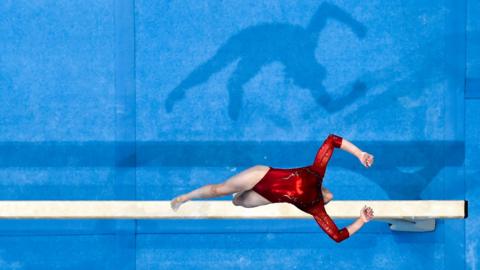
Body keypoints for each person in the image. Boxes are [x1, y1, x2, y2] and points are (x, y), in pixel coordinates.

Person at [170, 134, 374, 243]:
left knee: (237, 202)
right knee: (218, 190)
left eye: (328, 198)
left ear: (324, 201)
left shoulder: (316, 208)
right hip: (262, 175)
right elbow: (333, 140)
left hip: (266, 195)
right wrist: (360, 153)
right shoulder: (316, 174)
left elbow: (338, 236)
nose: (330, 196)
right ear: (323, 189)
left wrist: (362, 220)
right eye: (328, 194)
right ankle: (185, 197)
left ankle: (238, 194)